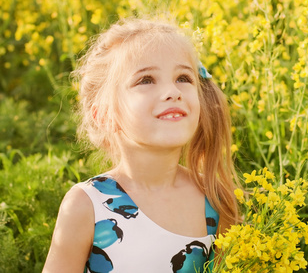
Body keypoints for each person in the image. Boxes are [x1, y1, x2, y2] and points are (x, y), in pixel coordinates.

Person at [43, 17, 240, 273]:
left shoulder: (214, 198)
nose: (173, 91)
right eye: (146, 80)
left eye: (183, 77)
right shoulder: (86, 205)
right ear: (103, 115)